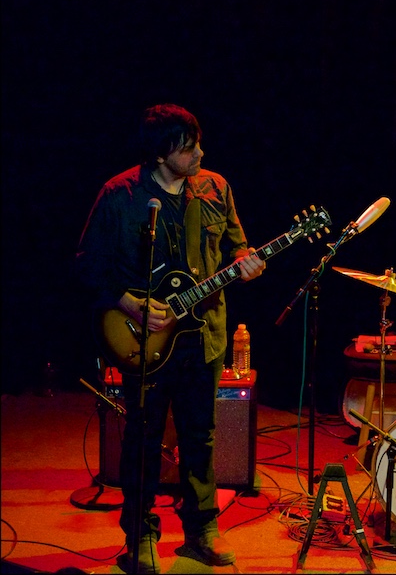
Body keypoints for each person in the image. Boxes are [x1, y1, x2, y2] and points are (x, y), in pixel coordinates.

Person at [75, 104, 266, 573]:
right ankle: (140, 535)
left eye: (198, 143)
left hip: (205, 336)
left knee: (201, 437)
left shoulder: (216, 188)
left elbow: (237, 245)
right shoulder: (120, 195)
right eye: (188, 148)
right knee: (143, 436)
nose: (200, 153)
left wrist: (246, 262)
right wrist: (127, 302)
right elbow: (88, 263)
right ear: (160, 155)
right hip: (145, 340)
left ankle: (202, 530)